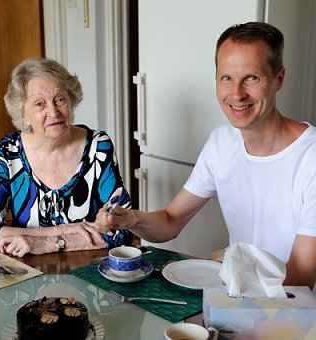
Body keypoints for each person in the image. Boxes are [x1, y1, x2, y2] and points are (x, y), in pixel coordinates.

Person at [95, 22, 316, 289]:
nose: (237, 93)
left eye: (252, 78)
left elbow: (298, 282)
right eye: (227, 78)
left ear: (279, 79)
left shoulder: (310, 157)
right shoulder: (221, 142)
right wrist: (131, 219)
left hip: (290, 316)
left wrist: (234, 261)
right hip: (235, 292)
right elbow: (171, 221)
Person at [0, 58, 133, 257]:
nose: (54, 112)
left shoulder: (98, 146)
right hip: (29, 274)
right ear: (23, 114)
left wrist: (52, 243)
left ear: (71, 101)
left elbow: (123, 228)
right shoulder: (8, 151)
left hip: (89, 271)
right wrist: (61, 231)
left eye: (60, 99)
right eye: (40, 104)